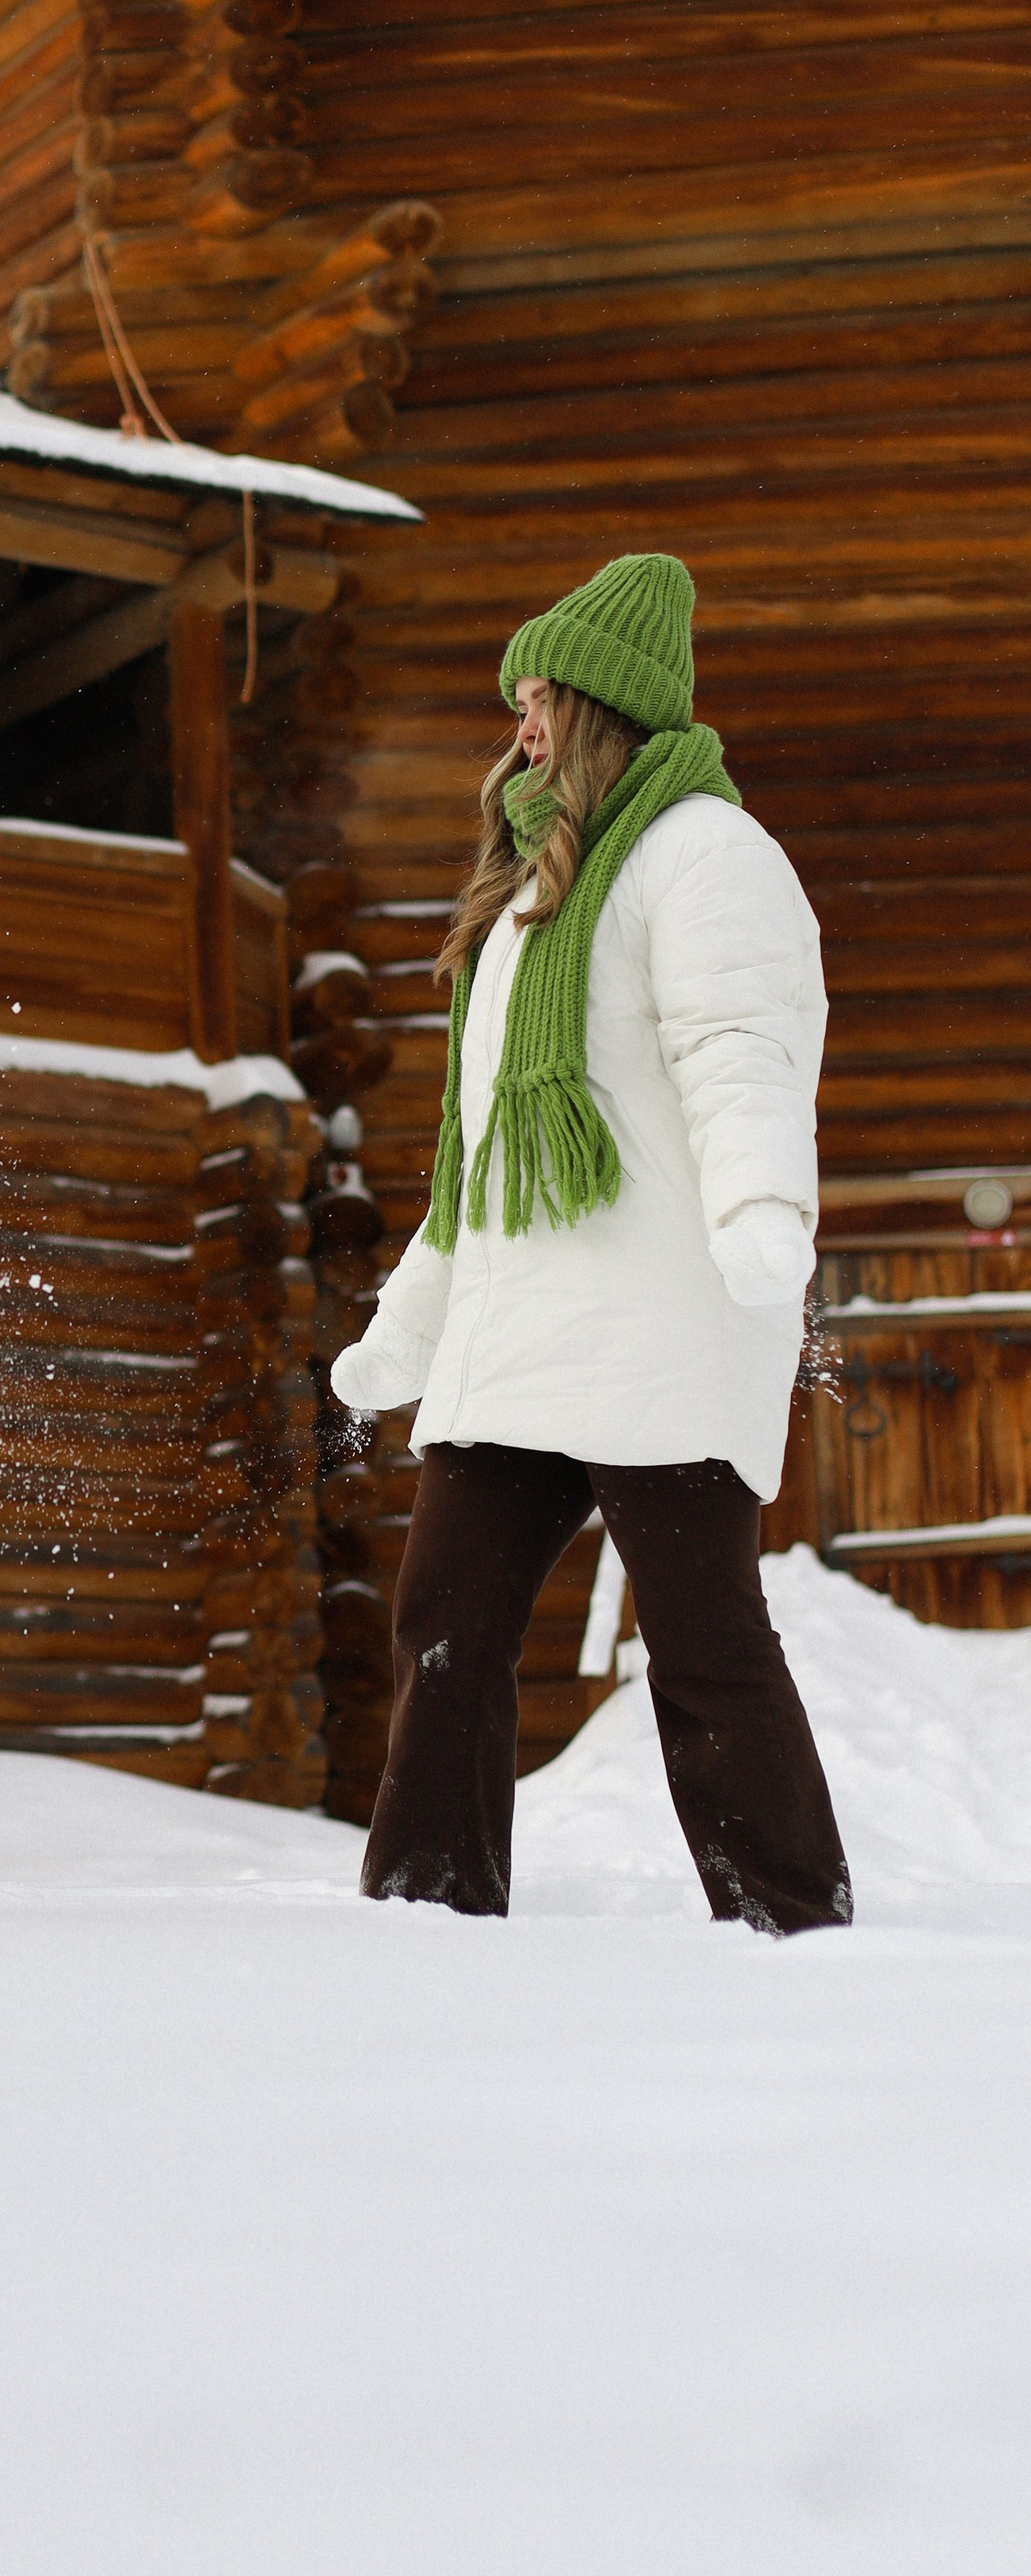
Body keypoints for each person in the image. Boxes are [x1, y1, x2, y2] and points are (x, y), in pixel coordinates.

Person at [332, 551, 850, 1935]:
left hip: (663, 1326)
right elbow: (477, 1152)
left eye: (541, 696)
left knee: (701, 1642)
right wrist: (412, 1323)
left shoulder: (708, 858)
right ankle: (424, 1916)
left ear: (600, 708)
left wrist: (761, 1212)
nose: (520, 722)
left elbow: (741, 1048)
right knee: (442, 1618)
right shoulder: (526, 902)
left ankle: (796, 1925)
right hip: (524, 1333)